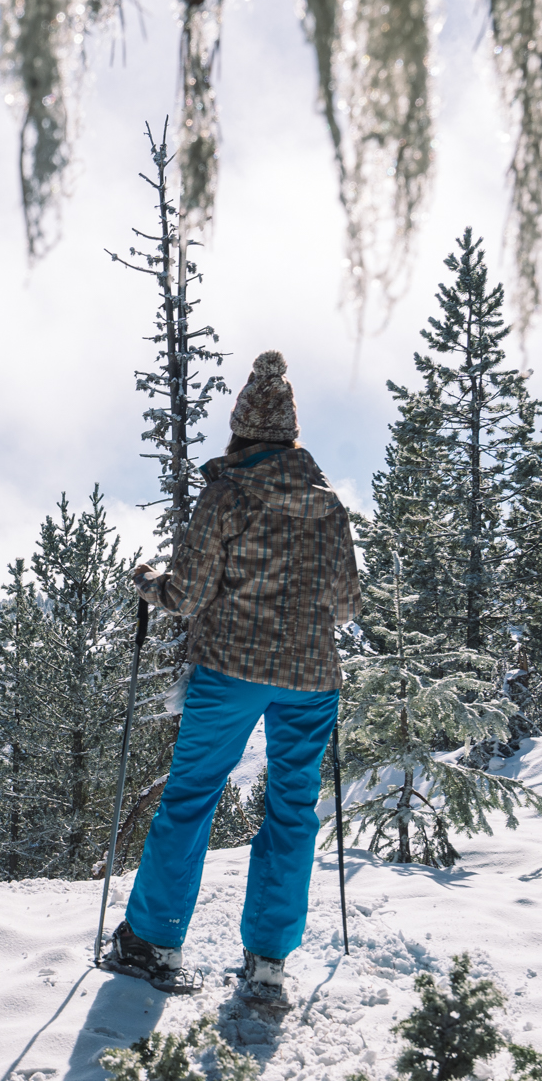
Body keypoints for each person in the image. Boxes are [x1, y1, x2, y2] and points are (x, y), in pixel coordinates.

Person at [107, 350, 360, 1008]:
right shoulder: (328, 505)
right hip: (311, 678)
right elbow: (348, 604)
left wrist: (146, 583)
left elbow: (187, 594)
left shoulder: (228, 493)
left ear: (241, 429)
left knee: (192, 793)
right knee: (292, 810)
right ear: (291, 435)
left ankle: (153, 941)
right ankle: (268, 962)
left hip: (232, 668)